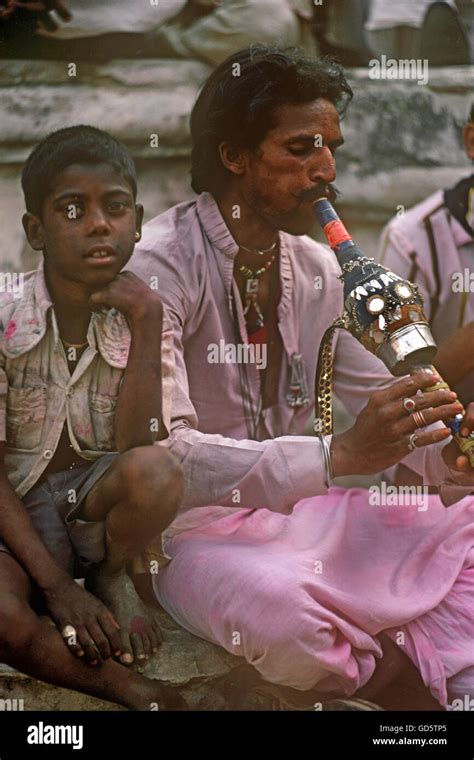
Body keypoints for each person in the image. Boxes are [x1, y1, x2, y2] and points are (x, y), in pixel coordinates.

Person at [129, 47, 474, 710]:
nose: (326, 172)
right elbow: (163, 454)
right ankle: (405, 699)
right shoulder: (159, 266)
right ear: (234, 156)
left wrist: (448, 448)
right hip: (191, 534)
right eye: (300, 150)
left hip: (306, 523)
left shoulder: (317, 267)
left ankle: (396, 672)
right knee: (281, 612)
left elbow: (387, 402)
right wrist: (339, 455)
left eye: (331, 148)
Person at [0, 125, 185, 710]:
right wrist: (56, 590)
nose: (98, 224)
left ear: (137, 221)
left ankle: (113, 574)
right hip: (12, 525)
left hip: (89, 517)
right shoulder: (5, 318)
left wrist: (148, 324)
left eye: (116, 207)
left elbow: (141, 449)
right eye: (72, 210)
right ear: (36, 230)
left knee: (157, 471)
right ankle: (142, 695)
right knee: (3, 616)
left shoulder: (147, 310)